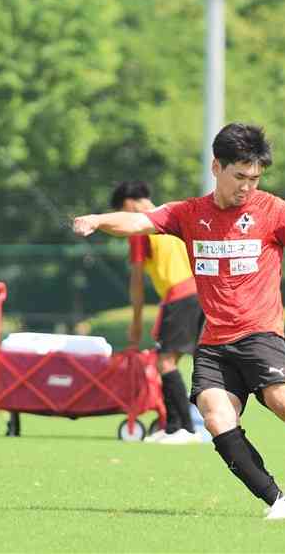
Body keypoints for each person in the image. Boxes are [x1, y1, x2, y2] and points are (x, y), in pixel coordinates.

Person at [73, 123, 285, 520]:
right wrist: (97, 219)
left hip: (260, 335)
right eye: (240, 177)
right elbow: (139, 222)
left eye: (255, 178)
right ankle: (280, 504)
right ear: (216, 167)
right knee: (217, 418)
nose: (247, 187)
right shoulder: (189, 214)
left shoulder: (275, 212)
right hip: (214, 344)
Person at [111, 181, 204, 445]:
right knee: (175, 362)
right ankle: (173, 425)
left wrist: (137, 322)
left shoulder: (141, 226)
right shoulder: (173, 216)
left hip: (180, 296)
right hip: (200, 294)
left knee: (165, 363)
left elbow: (137, 282)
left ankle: (185, 429)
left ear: (129, 205)